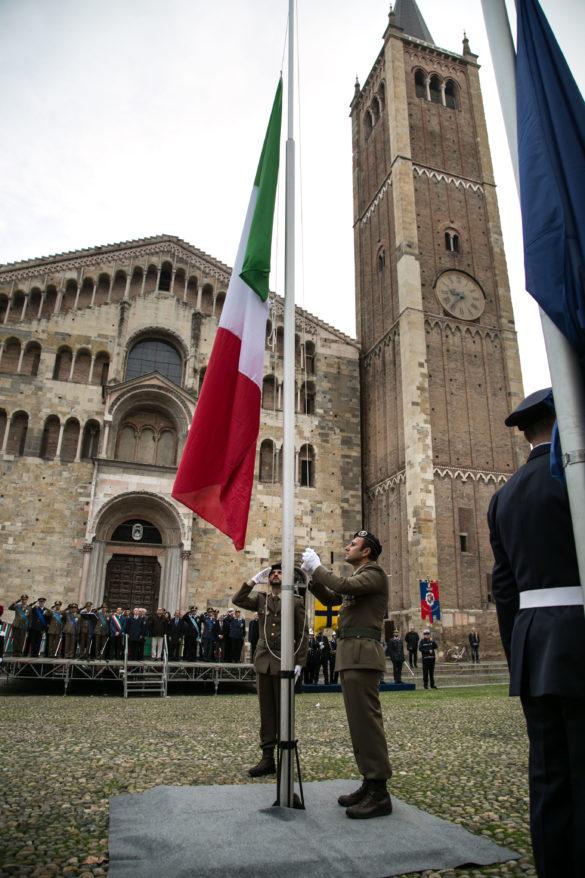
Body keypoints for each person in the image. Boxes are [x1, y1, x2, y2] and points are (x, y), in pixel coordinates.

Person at [487, 387, 585, 878]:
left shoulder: (502, 495)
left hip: (531, 643)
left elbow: (503, 588)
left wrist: (517, 650)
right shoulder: (575, 478)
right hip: (579, 638)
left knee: (547, 772)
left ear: (524, 433)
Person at [302, 531, 392, 819]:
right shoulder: (360, 577)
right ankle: (369, 781)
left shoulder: (374, 574)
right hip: (351, 654)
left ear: (366, 552)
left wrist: (318, 566)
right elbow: (331, 598)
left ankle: (379, 791)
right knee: (358, 723)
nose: (346, 547)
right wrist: (311, 578)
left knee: (367, 722)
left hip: (362, 654)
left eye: (352, 544)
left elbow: (341, 584)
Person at [233, 561, 308, 777]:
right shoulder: (260, 599)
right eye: (272, 573)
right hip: (264, 660)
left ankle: (285, 755)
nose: (275, 575)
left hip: (284, 660)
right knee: (266, 712)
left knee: (284, 711)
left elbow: (302, 634)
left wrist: (299, 663)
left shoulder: (295, 602)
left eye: (280, 573)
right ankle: (267, 758)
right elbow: (237, 600)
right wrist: (253, 581)